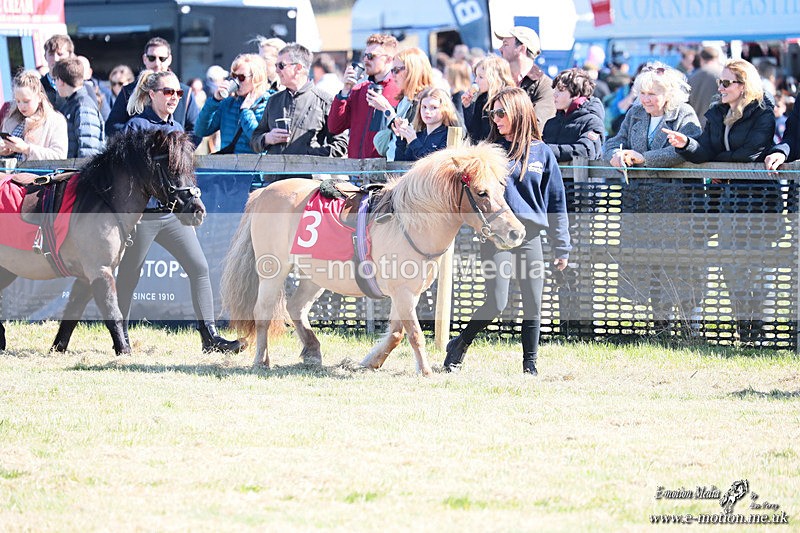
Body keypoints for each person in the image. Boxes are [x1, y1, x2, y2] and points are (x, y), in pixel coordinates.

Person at [443, 87, 571, 375]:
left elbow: (556, 202)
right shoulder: (490, 151)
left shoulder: (542, 153)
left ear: (520, 112)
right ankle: (461, 344)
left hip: (530, 236)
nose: (496, 119)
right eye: (493, 113)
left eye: (502, 113)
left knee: (533, 302)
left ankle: (530, 366)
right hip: (496, 235)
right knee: (497, 301)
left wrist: (562, 247)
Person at [116, 70, 242, 353]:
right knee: (129, 276)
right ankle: (120, 338)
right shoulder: (136, 126)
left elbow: (183, 176)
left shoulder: (177, 128)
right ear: (152, 95)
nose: (174, 97)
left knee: (199, 268)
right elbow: (126, 174)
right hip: (144, 215)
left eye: (178, 93)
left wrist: (193, 199)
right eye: (168, 92)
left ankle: (210, 338)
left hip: (173, 215)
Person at [665, 59, 777, 342]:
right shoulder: (716, 112)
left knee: (758, 268)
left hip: (759, 200)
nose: (721, 87)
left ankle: (760, 332)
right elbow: (706, 150)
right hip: (728, 201)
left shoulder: (763, 111)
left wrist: (716, 160)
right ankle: (744, 330)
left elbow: (752, 154)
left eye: (727, 83)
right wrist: (687, 145)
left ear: (743, 86)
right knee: (732, 267)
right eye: (720, 82)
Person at [603, 63, 703, 331]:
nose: (646, 98)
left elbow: (683, 152)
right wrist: (614, 155)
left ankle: (690, 324)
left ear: (668, 93)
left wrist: (643, 158)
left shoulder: (684, 113)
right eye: (642, 92)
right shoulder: (635, 112)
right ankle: (660, 324)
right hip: (639, 202)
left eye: (652, 93)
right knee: (648, 263)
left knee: (677, 264)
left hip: (674, 203)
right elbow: (614, 139)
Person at [250, 43, 348, 172]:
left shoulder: (325, 101)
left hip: (306, 185)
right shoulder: (273, 101)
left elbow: (341, 144)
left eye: (281, 65)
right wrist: (267, 138)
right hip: (273, 184)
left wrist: (310, 157)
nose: (277, 70)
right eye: (276, 65)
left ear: (298, 68)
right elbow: (254, 140)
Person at [105, 37, 199, 141]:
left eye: (162, 58)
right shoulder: (129, 92)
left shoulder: (185, 92)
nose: (157, 63)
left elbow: (196, 130)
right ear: (145, 59)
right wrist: (138, 142)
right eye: (152, 58)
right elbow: (112, 127)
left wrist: (179, 150)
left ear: (169, 59)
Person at [327, 33, 401, 159]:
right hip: (356, 171)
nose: (366, 60)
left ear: (389, 59)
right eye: (365, 55)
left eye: (371, 56)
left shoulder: (400, 90)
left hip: (387, 171)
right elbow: (334, 127)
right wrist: (345, 91)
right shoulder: (359, 90)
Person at [195, 54, 270, 154]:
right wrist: (215, 101)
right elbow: (200, 131)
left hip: (257, 167)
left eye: (241, 77)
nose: (237, 81)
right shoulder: (228, 104)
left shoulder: (269, 104)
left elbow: (260, 142)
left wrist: (245, 112)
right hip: (229, 167)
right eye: (234, 76)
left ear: (257, 78)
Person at [369, 47, 434, 161]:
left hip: (411, 170)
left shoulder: (427, 100)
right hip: (394, 165)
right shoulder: (405, 99)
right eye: (392, 70)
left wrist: (387, 109)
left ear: (413, 71)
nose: (393, 75)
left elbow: (408, 133)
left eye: (397, 70)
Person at [0, 70, 67, 161]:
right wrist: (3, 152)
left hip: (38, 174)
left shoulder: (55, 120)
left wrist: (27, 149)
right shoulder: (10, 120)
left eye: (26, 101)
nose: (21, 106)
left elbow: (59, 156)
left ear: (39, 97)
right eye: (18, 101)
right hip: (9, 174)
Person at [495, 27, 555, 126]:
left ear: (522, 49)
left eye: (505, 44)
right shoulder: (498, 81)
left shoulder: (544, 85)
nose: (500, 49)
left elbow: (536, 126)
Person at [542, 67, 605, 162]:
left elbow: (586, 150)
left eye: (561, 90)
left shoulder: (592, 122)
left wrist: (546, 150)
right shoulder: (551, 123)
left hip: (581, 176)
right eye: (555, 91)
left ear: (576, 94)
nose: (555, 95)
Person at [52, 58, 105, 158]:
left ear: (61, 81)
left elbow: (89, 150)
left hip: (83, 171)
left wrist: (82, 173)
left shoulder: (83, 106)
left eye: (55, 80)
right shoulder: (71, 104)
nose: (55, 84)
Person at [394, 87, 460, 161]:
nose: (427, 111)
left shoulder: (448, 136)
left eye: (434, 107)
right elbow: (400, 165)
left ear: (445, 110)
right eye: (424, 107)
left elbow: (433, 164)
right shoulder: (419, 135)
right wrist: (400, 138)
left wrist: (413, 141)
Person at [461, 54, 515, 143]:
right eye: (476, 76)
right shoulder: (482, 99)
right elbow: (474, 133)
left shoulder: (509, 99)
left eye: (481, 77)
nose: (476, 80)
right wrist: (468, 107)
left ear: (494, 79)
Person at [688, 46, 724, 128]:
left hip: (697, 126)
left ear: (701, 58)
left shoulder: (692, 77)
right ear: (717, 58)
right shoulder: (724, 76)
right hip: (719, 126)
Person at [40, 34, 74, 108]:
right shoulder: (37, 87)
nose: (56, 59)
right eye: (51, 54)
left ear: (70, 56)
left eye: (60, 54)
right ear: (45, 57)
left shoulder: (77, 86)